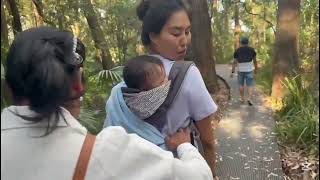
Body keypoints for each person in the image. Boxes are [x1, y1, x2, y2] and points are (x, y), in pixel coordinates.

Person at [1, 27, 214, 180]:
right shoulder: (108, 152)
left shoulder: (116, 98)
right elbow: (199, 175)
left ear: (9, 90)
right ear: (77, 85)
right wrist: (184, 145)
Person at [105, 0, 219, 177]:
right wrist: (211, 174)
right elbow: (208, 141)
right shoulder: (189, 75)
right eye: (176, 33)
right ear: (153, 36)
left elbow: (110, 139)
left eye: (187, 32)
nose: (185, 41)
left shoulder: (128, 78)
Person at [231, 37, 258, 106]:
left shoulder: (237, 50)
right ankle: (249, 98)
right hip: (249, 69)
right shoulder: (252, 50)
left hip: (240, 70)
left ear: (241, 43)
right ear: (247, 42)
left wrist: (232, 72)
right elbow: (255, 60)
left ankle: (242, 98)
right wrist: (256, 69)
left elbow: (234, 62)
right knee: (250, 85)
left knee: (241, 85)